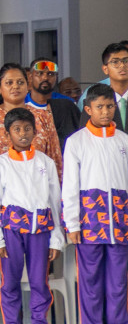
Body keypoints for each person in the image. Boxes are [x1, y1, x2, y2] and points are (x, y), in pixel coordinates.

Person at [0, 107, 64, 324]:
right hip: (11, 234)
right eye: (17, 129)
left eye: (27, 128)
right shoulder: (0, 164)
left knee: (40, 281)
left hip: (41, 232)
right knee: (10, 283)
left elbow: (55, 202)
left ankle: (39, 320)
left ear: (35, 131)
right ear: (7, 134)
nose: (23, 133)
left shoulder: (45, 163)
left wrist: (56, 238)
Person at [62, 84, 128, 323]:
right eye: (99, 107)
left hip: (121, 223)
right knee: (90, 284)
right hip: (89, 223)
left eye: (110, 106)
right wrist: (72, 224)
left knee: (119, 284)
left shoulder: (124, 141)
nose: (105, 112)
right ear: (88, 109)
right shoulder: (76, 142)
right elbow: (69, 185)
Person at [0, 63, 64, 205]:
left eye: (20, 82)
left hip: (38, 198)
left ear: (28, 86)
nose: (15, 86)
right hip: (0, 199)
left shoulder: (42, 117)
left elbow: (55, 161)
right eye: (9, 83)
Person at [27, 57, 81, 139]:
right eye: (40, 73)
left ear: (56, 77)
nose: (45, 78)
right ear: (30, 77)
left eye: (50, 74)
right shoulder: (22, 103)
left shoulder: (67, 104)